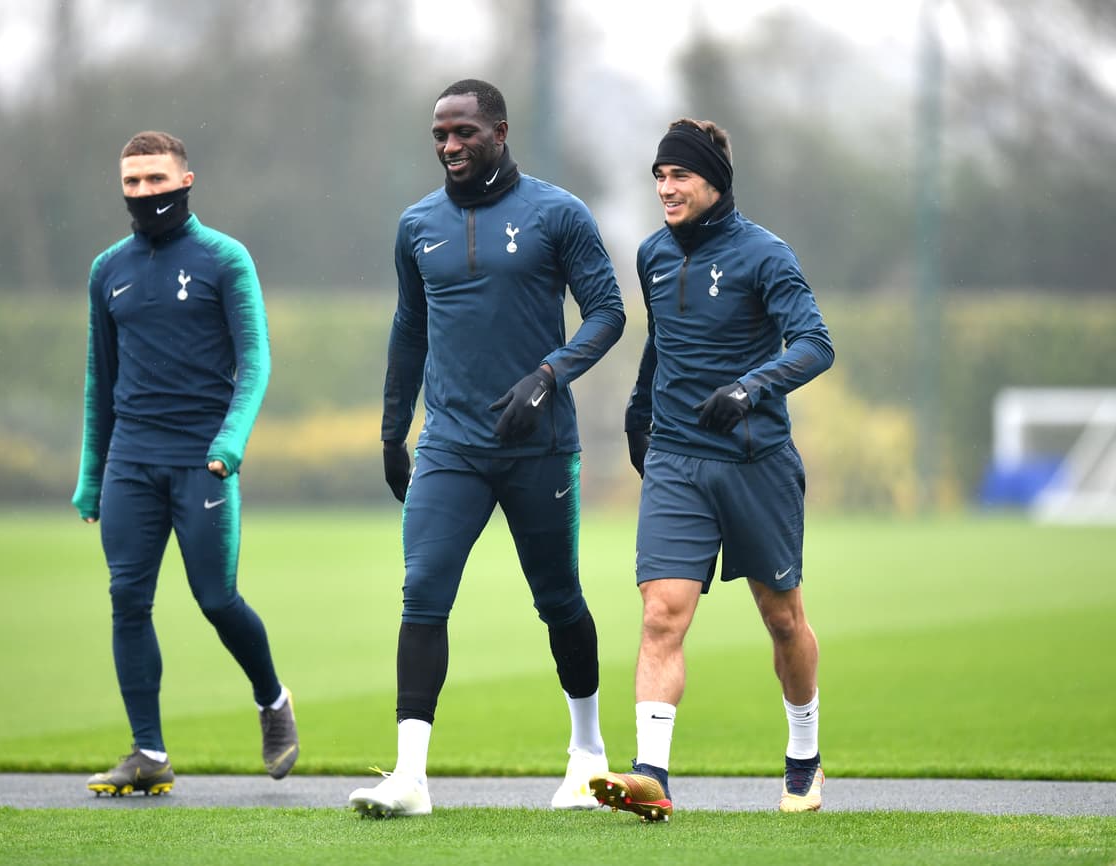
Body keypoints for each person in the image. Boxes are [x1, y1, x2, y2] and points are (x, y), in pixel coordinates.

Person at [348, 79, 627, 818]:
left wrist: (548, 375)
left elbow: (608, 312)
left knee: (557, 599)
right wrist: (391, 427)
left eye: (464, 132)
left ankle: (587, 755)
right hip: (451, 445)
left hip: (541, 447)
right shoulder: (417, 225)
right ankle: (410, 777)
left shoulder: (557, 214)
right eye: (440, 134)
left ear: (499, 132)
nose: (449, 145)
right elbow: (409, 329)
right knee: (424, 589)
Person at [590, 119, 835, 821]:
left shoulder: (766, 255)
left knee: (782, 618)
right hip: (677, 458)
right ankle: (650, 775)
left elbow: (817, 344)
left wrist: (750, 388)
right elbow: (659, 341)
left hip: (756, 461)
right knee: (662, 612)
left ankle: (803, 756)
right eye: (659, 176)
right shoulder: (652, 255)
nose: (666, 188)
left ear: (714, 181)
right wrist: (641, 411)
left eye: (680, 176)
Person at [71, 130, 298, 796]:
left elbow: (255, 362)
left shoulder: (224, 259)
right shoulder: (107, 270)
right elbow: (99, 379)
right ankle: (148, 753)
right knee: (126, 600)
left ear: (186, 181)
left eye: (156, 180)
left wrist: (229, 444)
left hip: (204, 463)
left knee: (215, 598)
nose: (144, 193)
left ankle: (272, 699)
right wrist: (92, 473)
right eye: (132, 183)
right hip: (131, 464)